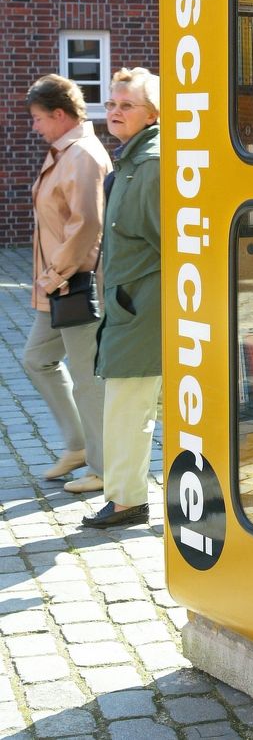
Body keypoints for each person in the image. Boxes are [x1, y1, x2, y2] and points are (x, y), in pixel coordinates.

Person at [23, 75, 111, 493]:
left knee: (87, 377)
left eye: (39, 119)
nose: (36, 127)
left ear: (60, 115)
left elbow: (87, 226)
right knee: (36, 359)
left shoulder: (82, 156)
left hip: (76, 286)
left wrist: (54, 274)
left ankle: (103, 467)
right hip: (58, 287)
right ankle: (77, 446)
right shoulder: (64, 152)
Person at [82, 67, 161, 529]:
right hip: (130, 303)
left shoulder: (150, 165)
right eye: (111, 104)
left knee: (127, 407)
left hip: (141, 307)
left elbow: (171, 243)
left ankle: (127, 500)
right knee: (131, 404)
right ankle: (127, 495)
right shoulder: (134, 158)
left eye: (126, 105)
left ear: (153, 113)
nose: (114, 112)